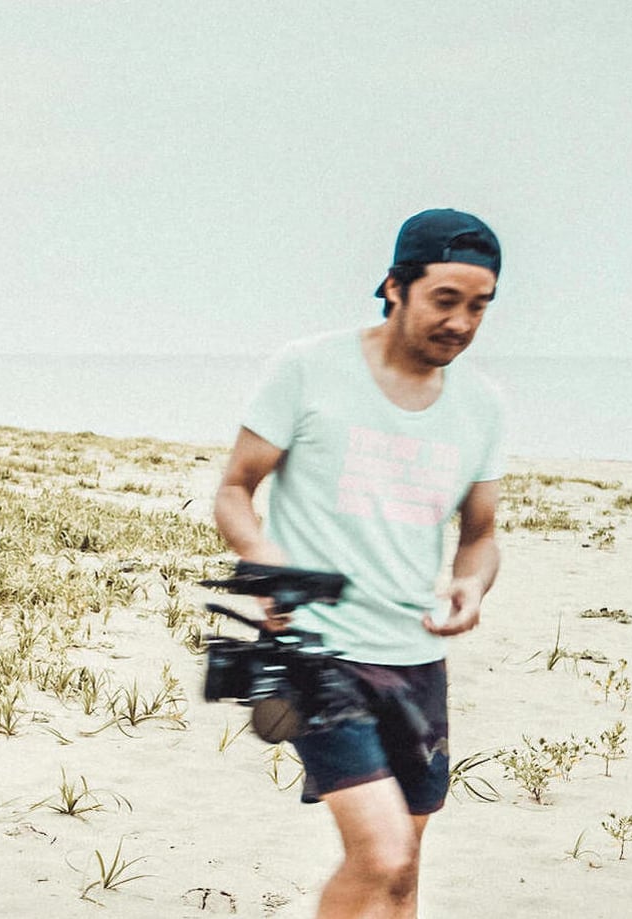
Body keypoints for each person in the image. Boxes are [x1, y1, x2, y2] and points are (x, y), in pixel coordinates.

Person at [213, 209, 505, 918]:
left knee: (402, 876)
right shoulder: (308, 368)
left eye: (478, 306)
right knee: (381, 852)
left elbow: (480, 534)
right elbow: (234, 490)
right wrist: (265, 561)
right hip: (316, 651)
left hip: (415, 660)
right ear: (394, 286)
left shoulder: (482, 406)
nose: (461, 323)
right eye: (445, 300)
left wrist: (470, 583)